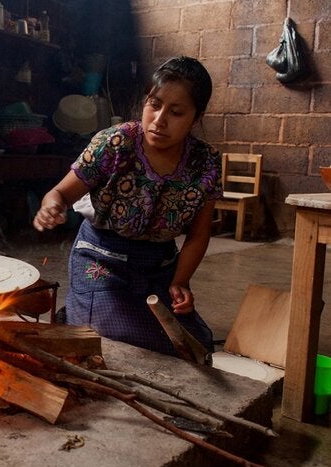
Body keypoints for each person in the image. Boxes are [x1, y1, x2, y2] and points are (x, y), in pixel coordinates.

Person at [33, 56, 222, 357]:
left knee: (193, 344)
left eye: (176, 112)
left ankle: (84, 309)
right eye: (154, 104)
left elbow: (199, 235)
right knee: (120, 337)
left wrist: (180, 281)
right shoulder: (116, 143)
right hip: (100, 259)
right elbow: (60, 193)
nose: (159, 120)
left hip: (156, 267)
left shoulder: (206, 162)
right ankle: (83, 308)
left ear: (196, 118)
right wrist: (51, 207)